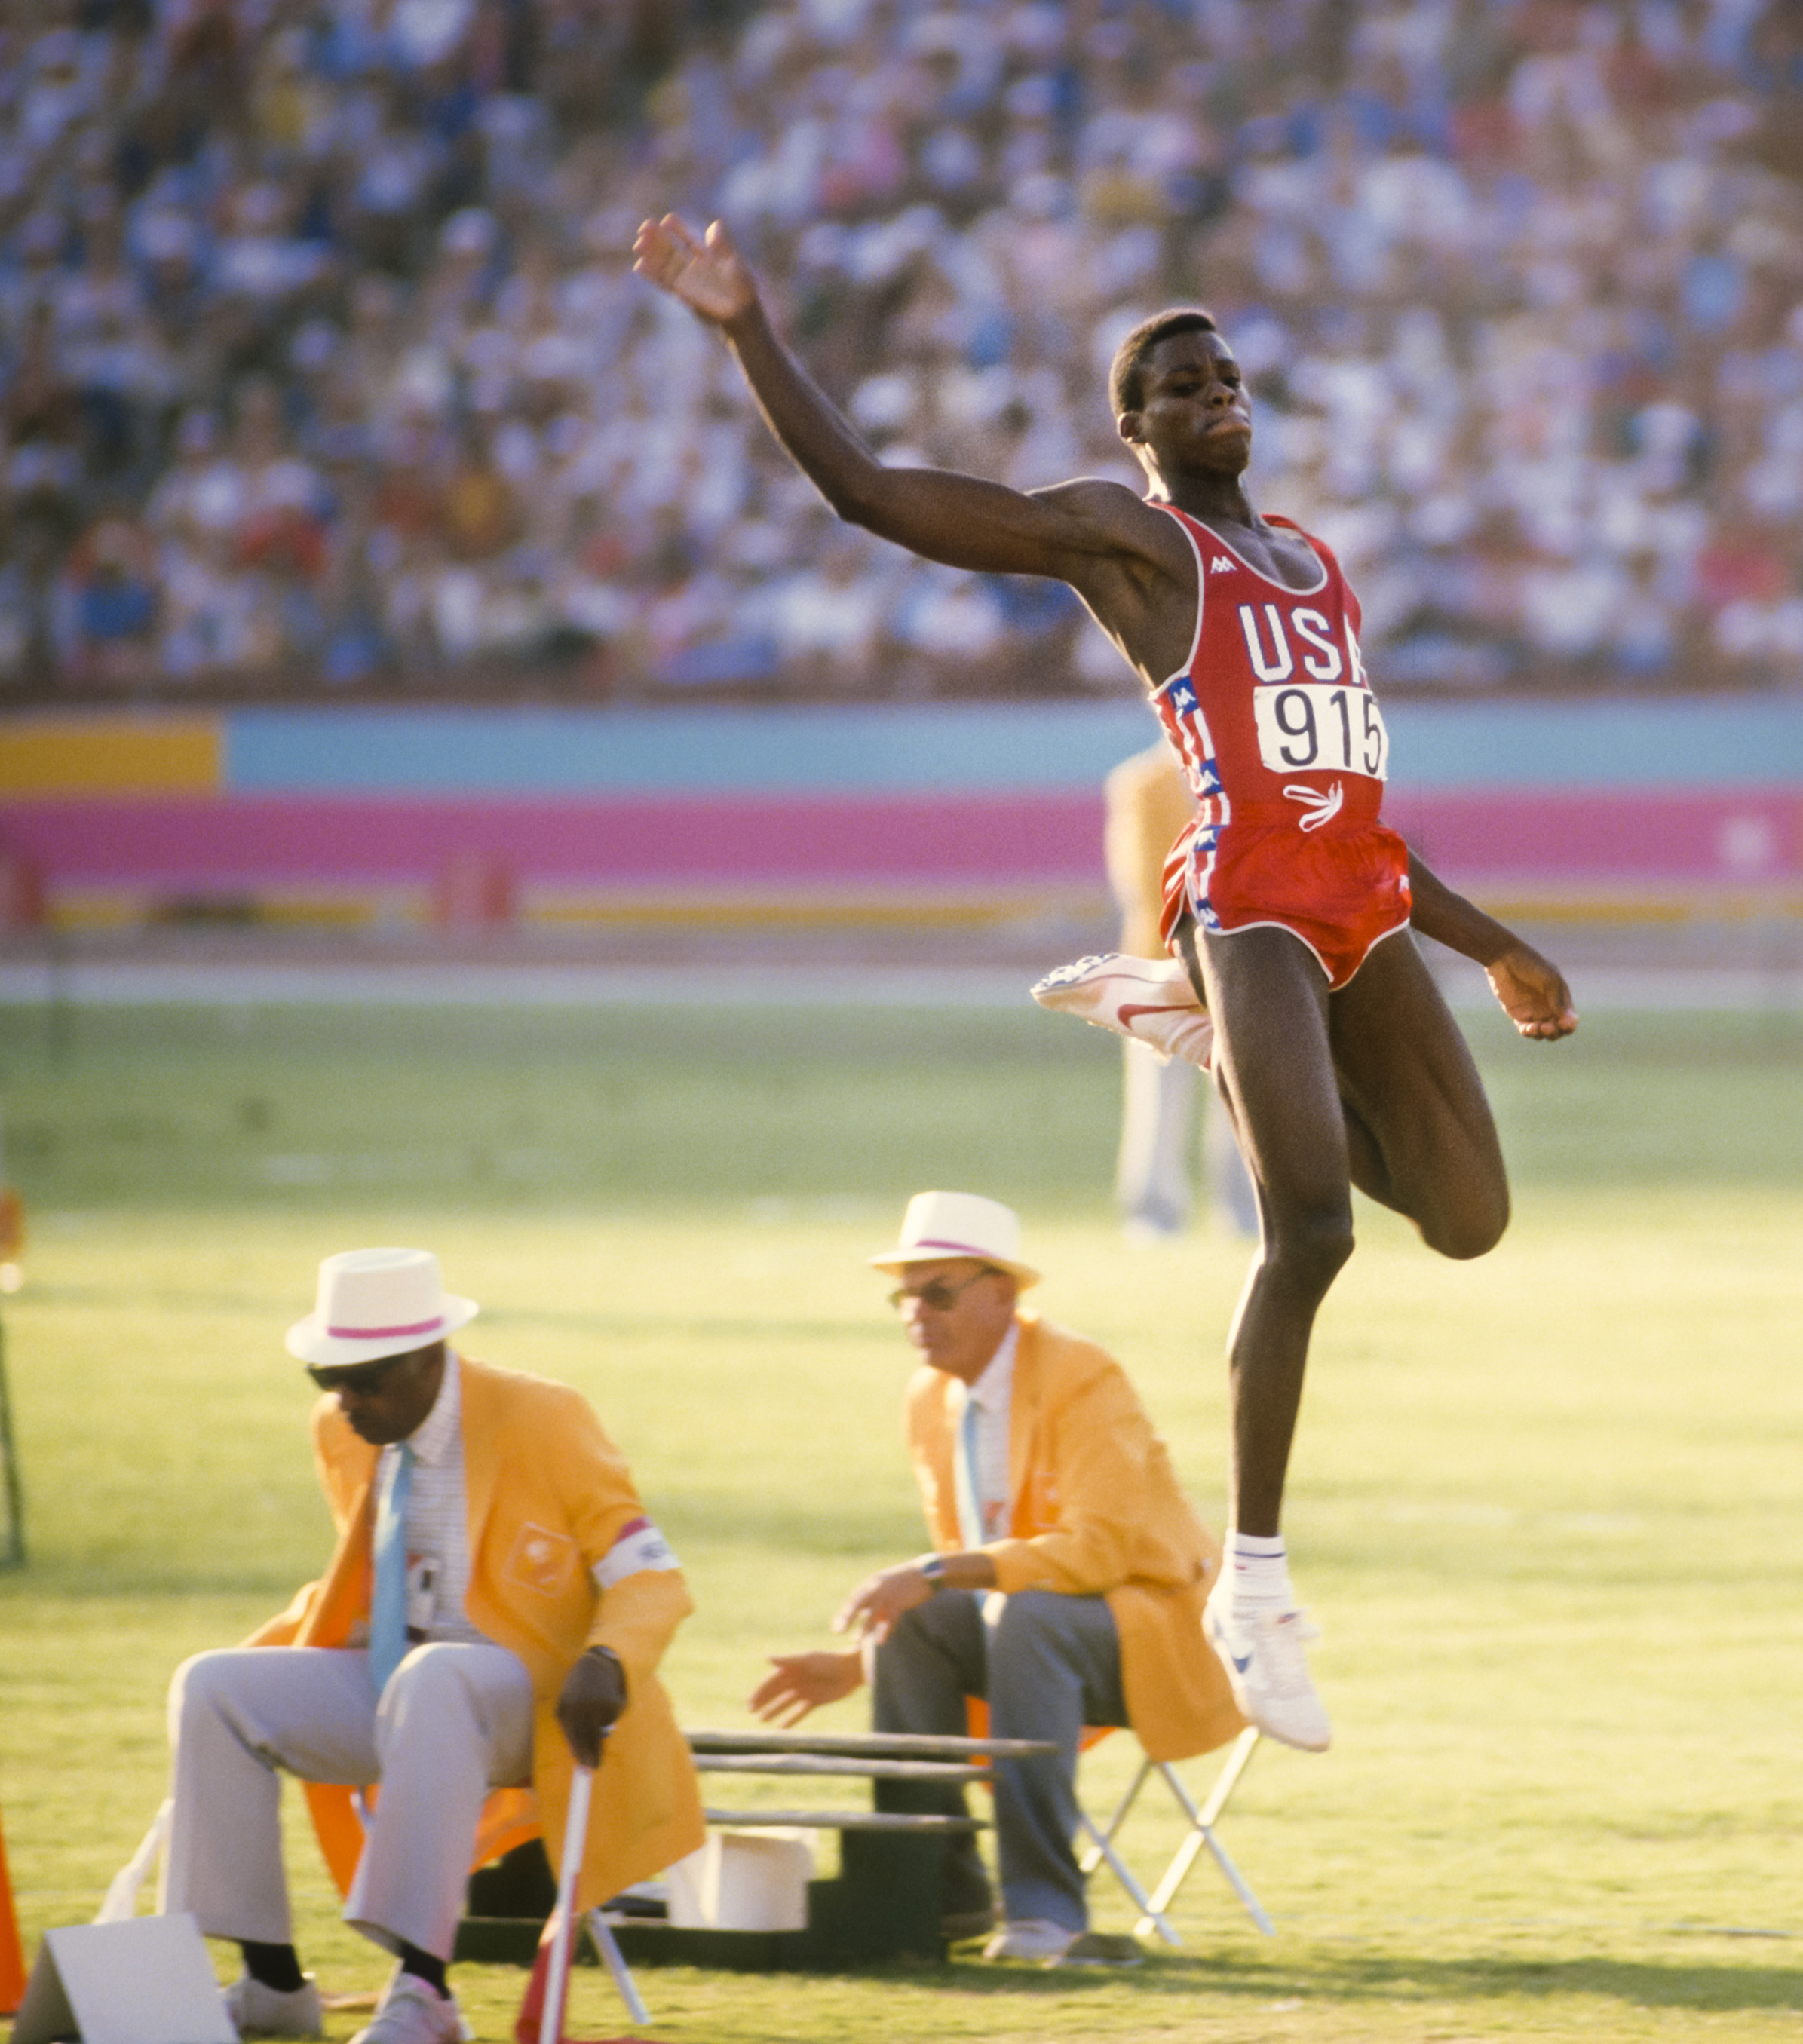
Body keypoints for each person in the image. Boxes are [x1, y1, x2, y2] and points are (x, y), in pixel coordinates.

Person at [636, 216, 1578, 1752]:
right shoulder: (1137, 543)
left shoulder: (1316, 567)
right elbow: (875, 495)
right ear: (1132, 428)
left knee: (1469, 1216)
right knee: (1313, 1226)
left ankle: (1178, 1033)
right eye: (1180, 382)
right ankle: (1254, 1589)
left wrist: (1493, 942)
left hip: (1361, 895)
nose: (1218, 392)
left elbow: (1351, 796)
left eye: (1228, 374)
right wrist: (748, 330)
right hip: (1250, 899)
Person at [165, 1248, 701, 2044]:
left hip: (546, 1703)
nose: (342, 1400)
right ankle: (272, 1982)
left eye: (364, 1379)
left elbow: (651, 1575)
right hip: (410, 1686)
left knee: (438, 1673)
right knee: (211, 1685)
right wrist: (272, 1648)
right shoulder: (347, 1430)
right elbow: (358, 1581)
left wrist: (609, 1658)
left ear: (427, 1358)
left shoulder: (546, 1416)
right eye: (325, 1377)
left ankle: (425, 1991)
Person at [747, 1191, 1245, 1964]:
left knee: (1027, 1614)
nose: (917, 1311)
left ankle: (1046, 1911)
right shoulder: (929, 1398)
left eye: (937, 1291)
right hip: (1032, 1638)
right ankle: (934, 1895)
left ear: (1002, 1294)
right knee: (917, 1621)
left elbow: (1099, 1552)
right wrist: (857, 1663)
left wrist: (935, 1569)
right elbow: (961, 1588)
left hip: (1157, 1633)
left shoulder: (1083, 1374)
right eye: (905, 1294)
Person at [1103, 738, 1256, 1240]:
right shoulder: (1140, 784)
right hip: (1161, 964)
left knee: (1241, 1097)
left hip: (1237, 964)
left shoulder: (1246, 779)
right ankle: (1153, 1211)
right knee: (1158, 1099)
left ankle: (1241, 1210)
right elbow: (1143, 882)